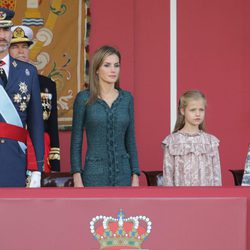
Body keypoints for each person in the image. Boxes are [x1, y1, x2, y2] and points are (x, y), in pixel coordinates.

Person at [70, 45, 140, 187]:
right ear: (96, 69)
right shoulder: (83, 98)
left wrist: (135, 174)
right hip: (94, 175)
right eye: (107, 65)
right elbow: (76, 141)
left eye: (116, 65)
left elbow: (130, 139)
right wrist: (77, 175)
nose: (113, 70)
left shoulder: (127, 98)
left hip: (124, 175)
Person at [0, 7, 44, 187]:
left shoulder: (28, 72)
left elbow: (36, 124)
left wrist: (37, 169)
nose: (2, 35)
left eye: (5, 29)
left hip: (15, 160)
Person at [9, 25, 60, 172]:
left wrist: (55, 163)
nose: (21, 51)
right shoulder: (3, 82)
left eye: (25, 46)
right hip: (11, 149)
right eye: (15, 47)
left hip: (40, 152)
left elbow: (52, 126)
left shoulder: (47, 84)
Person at [162, 90, 222, 186]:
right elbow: (168, 177)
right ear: (182, 111)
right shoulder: (172, 141)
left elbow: (217, 177)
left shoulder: (211, 142)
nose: (198, 114)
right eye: (193, 110)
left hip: (207, 198)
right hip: (180, 198)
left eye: (201, 110)